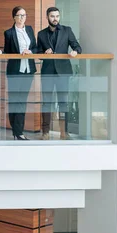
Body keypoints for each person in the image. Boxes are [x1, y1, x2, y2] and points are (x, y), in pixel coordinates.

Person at [0, 6, 37, 140]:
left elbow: (35, 47)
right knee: (14, 101)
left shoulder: (29, 29)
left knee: (22, 101)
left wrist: (30, 52)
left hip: (28, 70)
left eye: (24, 15)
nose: (23, 18)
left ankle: (18, 132)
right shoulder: (9, 33)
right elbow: (7, 52)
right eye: (19, 15)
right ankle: (17, 132)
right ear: (14, 17)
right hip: (15, 71)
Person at [36, 7, 82, 140]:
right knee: (46, 102)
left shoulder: (67, 30)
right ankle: (45, 132)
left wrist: (75, 52)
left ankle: (64, 132)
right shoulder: (41, 34)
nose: (55, 18)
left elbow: (77, 46)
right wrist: (45, 54)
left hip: (63, 72)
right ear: (47, 17)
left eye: (57, 16)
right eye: (52, 16)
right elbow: (38, 54)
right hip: (47, 72)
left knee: (63, 102)